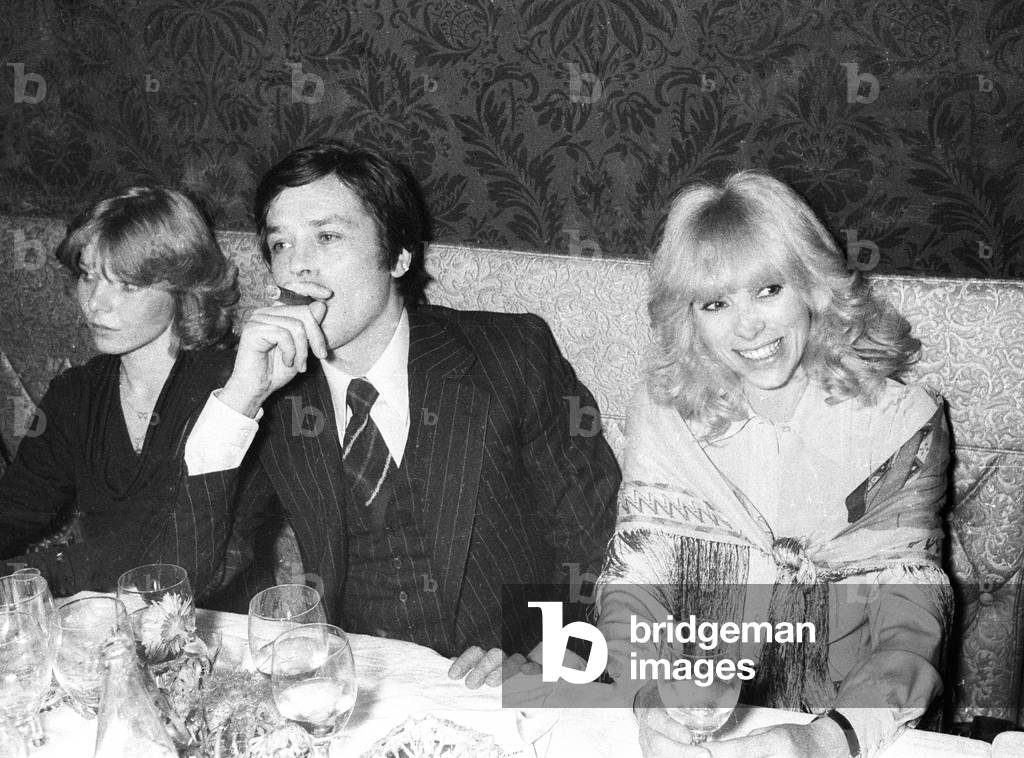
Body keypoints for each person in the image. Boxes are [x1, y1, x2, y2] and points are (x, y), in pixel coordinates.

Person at [183, 140, 620, 687]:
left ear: (398, 257)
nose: (297, 266)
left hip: (509, 691)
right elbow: (189, 580)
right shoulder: (270, 394)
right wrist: (240, 400)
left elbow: (600, 544)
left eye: (326, 236)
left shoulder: (511, 355)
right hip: (364, 690)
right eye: (280, 244)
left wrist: (553, 661)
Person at [595, 172, 951, 757]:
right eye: (716, 303)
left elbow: (910, 629)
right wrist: (652, 695)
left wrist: (826, 739)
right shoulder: (664, 415)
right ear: (689, 318)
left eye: (768, 289)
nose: (748, 326)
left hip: (853, 726)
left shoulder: (899, 424)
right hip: (700, 717)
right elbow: (635, 589)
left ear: (811, 284)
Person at [0, 186, 245, 599]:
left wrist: (36, 577)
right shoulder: (75, 395)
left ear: (184, 287)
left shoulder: (237, 392)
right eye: (88, 275)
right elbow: (15, 510)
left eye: (127, 284)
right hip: (105, 620)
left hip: (217, 624)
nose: (96, 303)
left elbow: (204, 564)